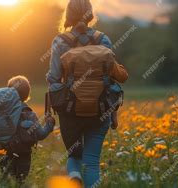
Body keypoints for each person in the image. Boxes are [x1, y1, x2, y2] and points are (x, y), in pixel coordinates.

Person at [46, 0, 128, 187]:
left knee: (74, 154)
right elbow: (112, 74)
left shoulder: (60, 41)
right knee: (91, 161)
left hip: (70, 109)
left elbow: (53, 78)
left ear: (68, 14)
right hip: (101, 109)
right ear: (90, 14)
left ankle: (74, 175)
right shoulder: (103, 39)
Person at [0, 76, 55, 183]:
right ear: (27, 95)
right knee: (20, 181)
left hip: (4, 153)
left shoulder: (0, 111)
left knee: (6, 181)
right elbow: (40, 134)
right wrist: (49, 124)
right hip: (23, 155)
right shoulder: (28, 113)